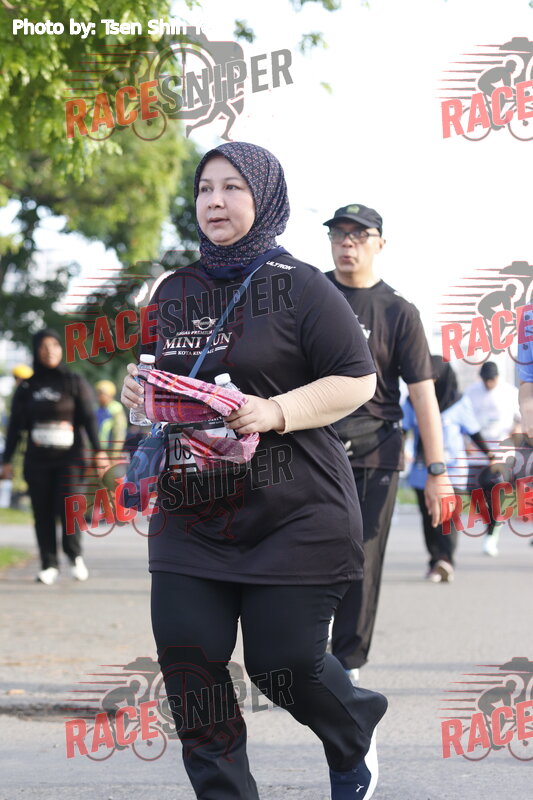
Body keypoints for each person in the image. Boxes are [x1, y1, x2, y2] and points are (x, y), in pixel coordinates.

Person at [121, 142, 387, 800]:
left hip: (294, 511)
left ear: (264, 197)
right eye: (204, 189)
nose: (214, 201)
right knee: (191, 672)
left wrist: (275, 410)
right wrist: (137, 396)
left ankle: (352, 727)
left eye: (232, 187)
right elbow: (158, 382)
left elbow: (357, 379)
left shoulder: (302, 285)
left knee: (282, 666)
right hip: (191, 512)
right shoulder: (173, 290)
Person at [323, 204, 453, 685]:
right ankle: (302, 654)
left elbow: (423, 397)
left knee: (361, 555)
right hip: (312, 444)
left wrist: (436, 472)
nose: (347, 242)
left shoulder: (399, 311)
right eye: (339, 233)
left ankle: (347, 665)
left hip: (375, 449)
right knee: (302, 552)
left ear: (380, 243)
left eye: (359, 234)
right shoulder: (310, 295)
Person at [0, 330, 108, 584]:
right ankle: (48, 564)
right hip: (37, 460)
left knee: (69, 507)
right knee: (43, 511)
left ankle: (74, 556)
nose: (49, 351)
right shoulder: (27, 387)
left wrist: (99, 452)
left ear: (61, 349)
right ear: (36, 351)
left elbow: (89, 418)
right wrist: (6, 461)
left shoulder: (73, 381)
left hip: (71, 459)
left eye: (54, 346)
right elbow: (15, 427)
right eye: (44, 347)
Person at [402, 356, 493, 582]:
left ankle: (446, 560)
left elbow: (474, 432)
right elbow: (402, 429)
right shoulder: (413, 400)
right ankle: (435, 559)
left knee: (449, 516)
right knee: (429, 518)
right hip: (422, 471)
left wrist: (490, 455)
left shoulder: (459, 402)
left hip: (453, 471)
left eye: (434, 377)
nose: (431, 382)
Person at [464, 361, 520, 556]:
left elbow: (520, 418)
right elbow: (463, 418)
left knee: (496, 490)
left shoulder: (510, 392)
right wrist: (465, 442)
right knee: (474, 492)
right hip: (477, 450)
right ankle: (492, 523)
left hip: (501, 450)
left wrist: (517, 430)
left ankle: (491, 535)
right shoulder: (471, 393)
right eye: (485, 380)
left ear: (497, 378)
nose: (489, 384)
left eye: (492, 380)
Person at [95, 379, 127, 456]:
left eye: (101, 393)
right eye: (97, 393)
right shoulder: (97, 408)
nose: (98, 396)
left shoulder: (116, 408)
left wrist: (114, 455)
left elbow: (119, 433)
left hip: (109, 452)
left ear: (109, 394)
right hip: (97, 450)